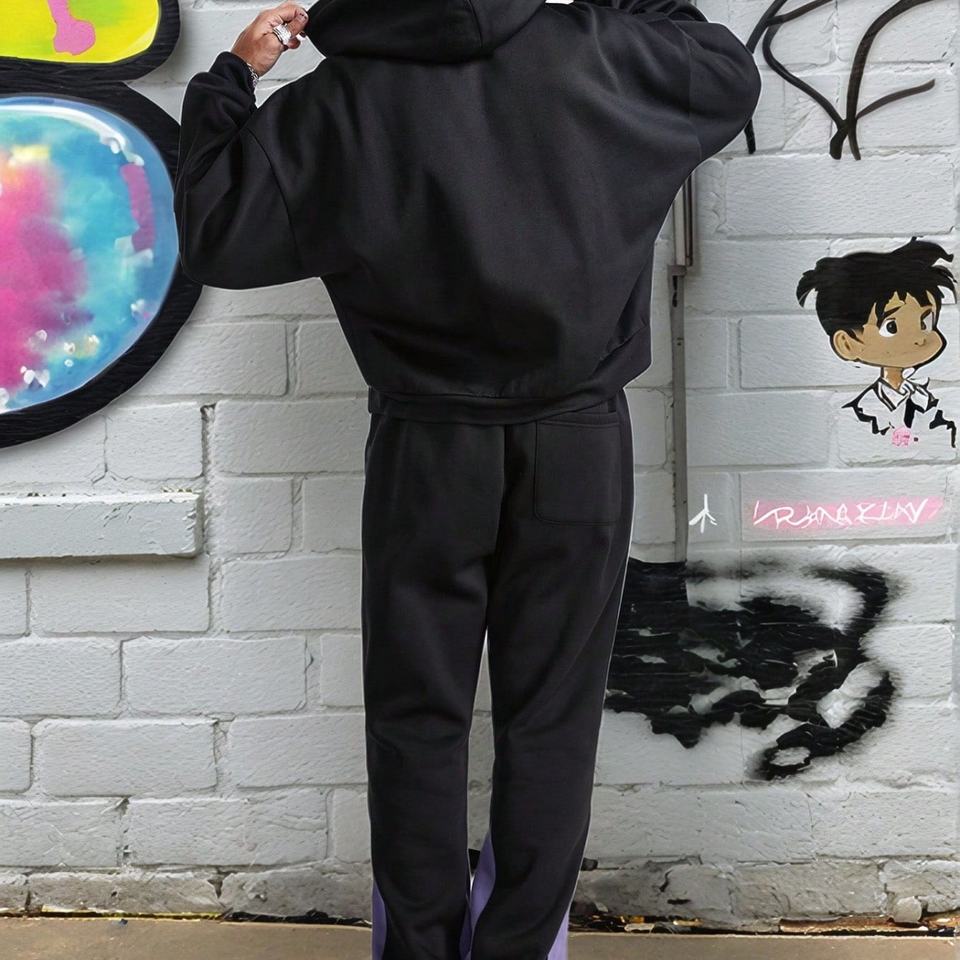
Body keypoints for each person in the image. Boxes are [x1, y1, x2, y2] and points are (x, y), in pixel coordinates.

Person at [174, 1, 761, 956]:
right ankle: (520, 946)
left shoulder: (340, 100)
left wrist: (230, 80)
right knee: (552, 718)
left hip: (426, 448)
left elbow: (215, 231)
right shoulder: (604, 56)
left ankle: (420, 947)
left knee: (416, 718)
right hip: (576, 444)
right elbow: (727, 73)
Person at [797, 238, 957, 449]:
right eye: (892, 327)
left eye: (925, 322)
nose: (919, 338)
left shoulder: (926, 400)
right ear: (847, 344)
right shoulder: (857, 414)